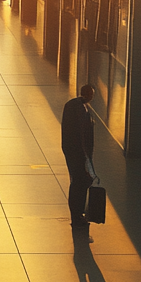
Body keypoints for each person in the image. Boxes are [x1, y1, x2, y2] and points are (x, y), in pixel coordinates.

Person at [61, 85, 96, 229]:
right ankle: (77, 215)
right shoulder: (82, 111)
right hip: (79, 154)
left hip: (72, 151)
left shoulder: (72, 106)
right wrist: (86, 156)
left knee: (78, 182)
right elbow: (82, 135)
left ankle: (77, 214)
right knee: (80, 183)